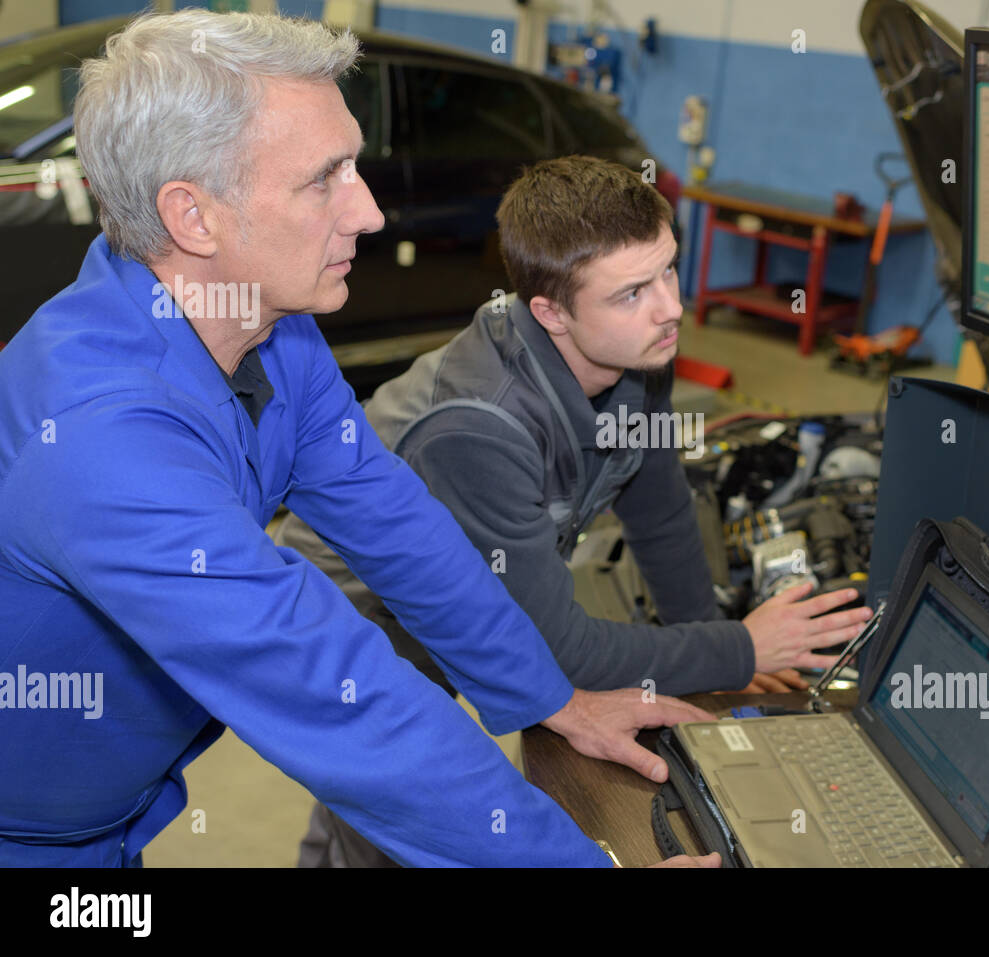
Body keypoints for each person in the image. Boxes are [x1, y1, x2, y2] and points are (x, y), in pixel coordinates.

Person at [0, 10, 718, 868]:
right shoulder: (102, 442)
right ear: (193, 216)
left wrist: (551, 698)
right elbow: (335, 689)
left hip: (106, 817)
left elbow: (402, 530)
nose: (371, 211)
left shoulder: (271, 335)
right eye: (324, 178)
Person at [277, 155, 873, 865]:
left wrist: (717, 648)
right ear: (550, 311)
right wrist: (745, 645)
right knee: (401, 823)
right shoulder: (481, 425)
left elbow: (660, 510)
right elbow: (559, 652)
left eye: (669, 271)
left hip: (456, 597)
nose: (670, 307)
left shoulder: (639, 350)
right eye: (630, 293)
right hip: (355, 622)